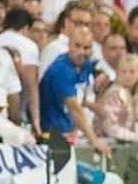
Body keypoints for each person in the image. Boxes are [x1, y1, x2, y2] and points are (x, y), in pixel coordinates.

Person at [39, 25, 110, 154]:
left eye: (86, 47)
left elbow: (79, 96)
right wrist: (94, 140)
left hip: (70, 133)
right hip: (52, 136)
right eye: (77, 46)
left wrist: (91, 107)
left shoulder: (86, 65)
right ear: (69, 44)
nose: (81, 52)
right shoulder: (60, 70)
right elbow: (74, 108)